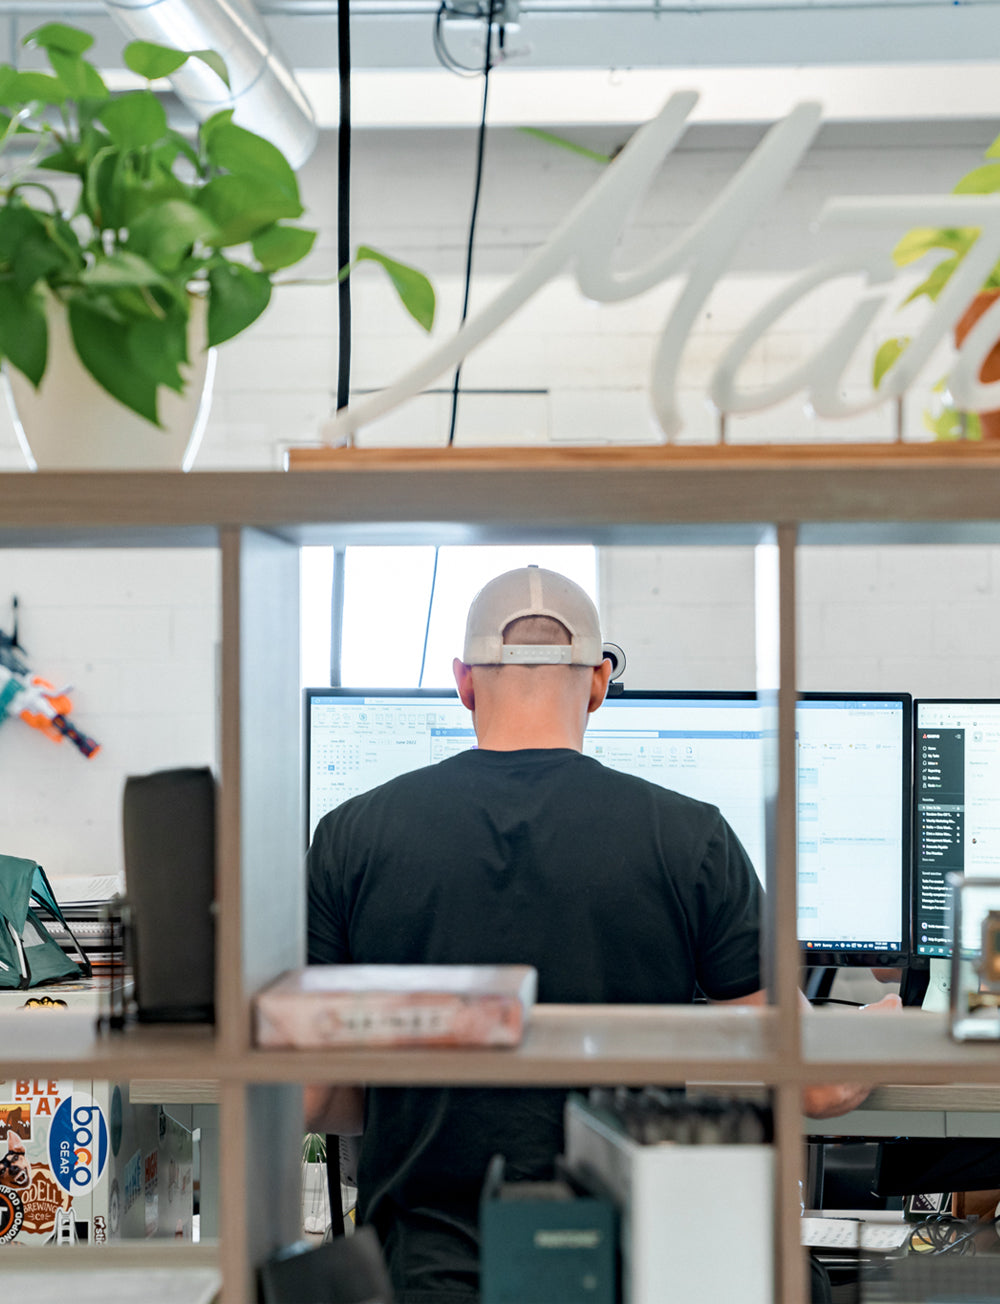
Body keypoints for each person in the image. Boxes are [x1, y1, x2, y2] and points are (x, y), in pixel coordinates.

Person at [306, 565, 897, 1304]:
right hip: (624, 1274)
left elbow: (309, 1097)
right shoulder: (692, 838)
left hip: (422, 1280)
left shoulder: (349, 837)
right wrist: (893, 1021)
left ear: (463, 682)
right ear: (598, 682)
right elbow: (821, 1084)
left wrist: (425, 1089)